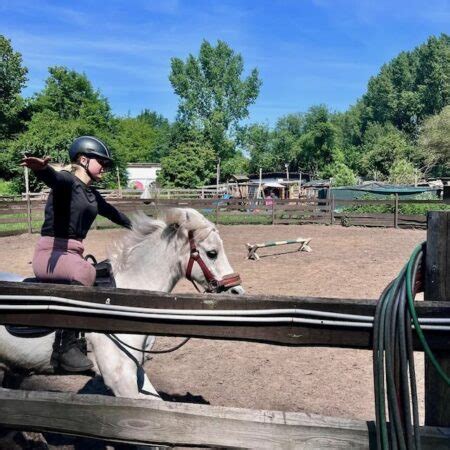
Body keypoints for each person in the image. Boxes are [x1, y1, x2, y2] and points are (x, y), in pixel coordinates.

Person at [21, 136, 132, 372]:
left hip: (72, 255)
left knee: (106, 270)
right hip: (50, 254)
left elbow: (116, 215)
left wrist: (147, 228)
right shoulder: (67, 182)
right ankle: (63, 347)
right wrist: (42, 169)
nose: (104, 166)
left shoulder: (92, 195)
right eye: (100, 161)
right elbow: (55, 178)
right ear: (83, 159)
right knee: (85, 271)